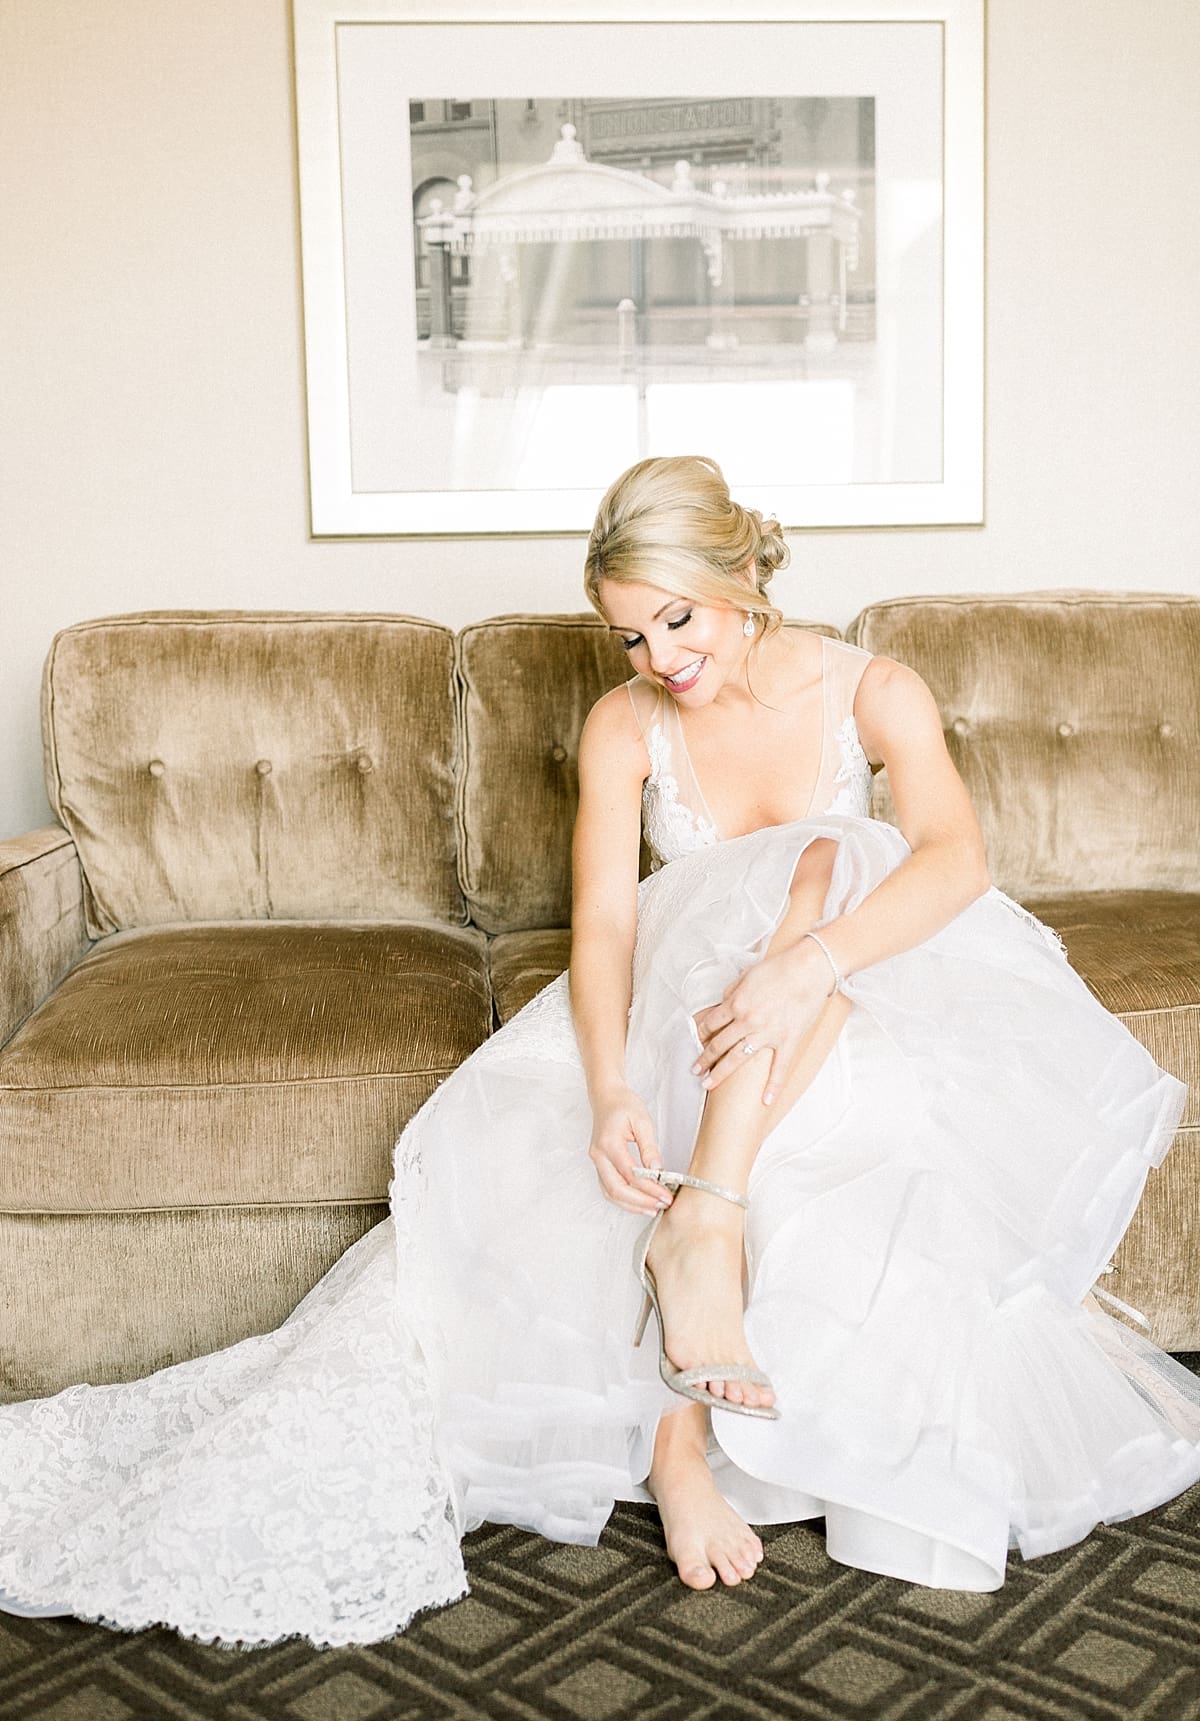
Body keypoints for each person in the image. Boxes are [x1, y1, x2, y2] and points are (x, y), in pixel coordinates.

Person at [0, 453, 1197, 1650]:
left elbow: (953, 858)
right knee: (786, 901)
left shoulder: (873, 689)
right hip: (694, 1005)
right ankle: (691, 1324)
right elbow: (612, 922)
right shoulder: (625, 725)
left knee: (831, 855)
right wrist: (615, 1085)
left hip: (840, 988)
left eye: (676, 618)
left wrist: (807, 965)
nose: (659, 658)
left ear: (743, 576)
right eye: (629, 636)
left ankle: (698, 1259)